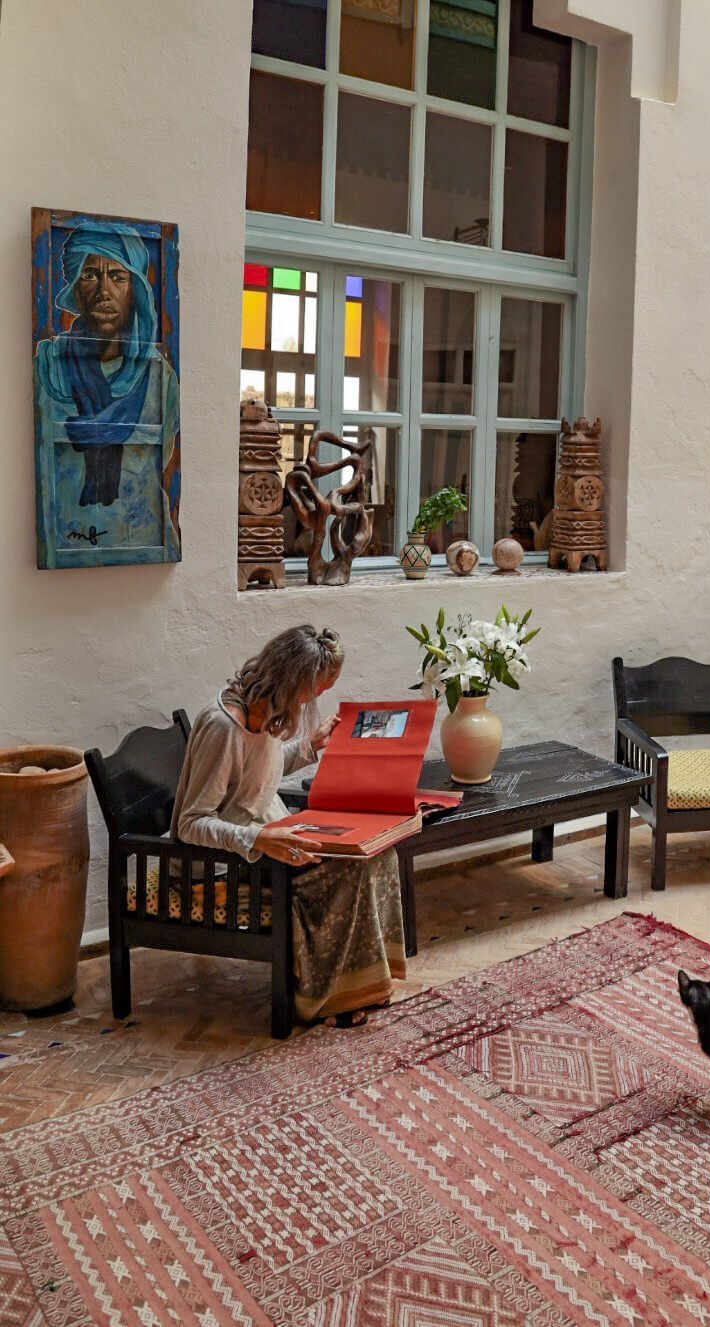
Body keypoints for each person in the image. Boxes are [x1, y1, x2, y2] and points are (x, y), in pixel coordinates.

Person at [171, 625, 406, 1025]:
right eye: (312, 693)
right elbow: (190, 824)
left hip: (263, 840)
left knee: (378, 853)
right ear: (292, 682)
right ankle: (322, 997)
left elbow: (256, 778)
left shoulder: (261, 711)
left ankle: (358, 986)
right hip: (222, 864)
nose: (312, 701)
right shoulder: (224, 727)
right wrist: (259, 836)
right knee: (347, 874)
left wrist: (308, 747)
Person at [33, 223, 180, 552]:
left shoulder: (160, 378)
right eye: (90, 275)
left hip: (143, 542)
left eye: (117, 276)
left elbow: (162, 465)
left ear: (134, 290)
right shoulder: (48, 365)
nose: (104, 290)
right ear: (75, 287)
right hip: (66, 544)